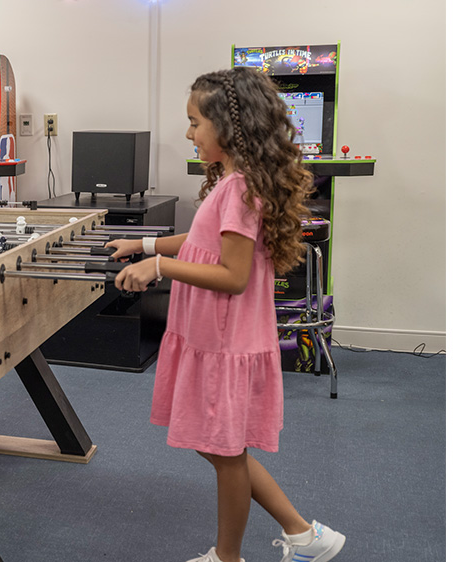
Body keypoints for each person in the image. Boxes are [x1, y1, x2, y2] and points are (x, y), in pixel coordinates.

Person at [108, 67, 345, 562]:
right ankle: (305, 536)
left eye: (194, 122)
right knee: (220, 447)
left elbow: (234, 275)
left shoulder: (239, 191)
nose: (187, 133)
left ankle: (230, 556)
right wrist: (145, 242)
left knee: (225, 453)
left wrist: (157, 266)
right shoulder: (236, 183)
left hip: (223, 342)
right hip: (217, 337)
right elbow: (202, 243)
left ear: (229, 129)